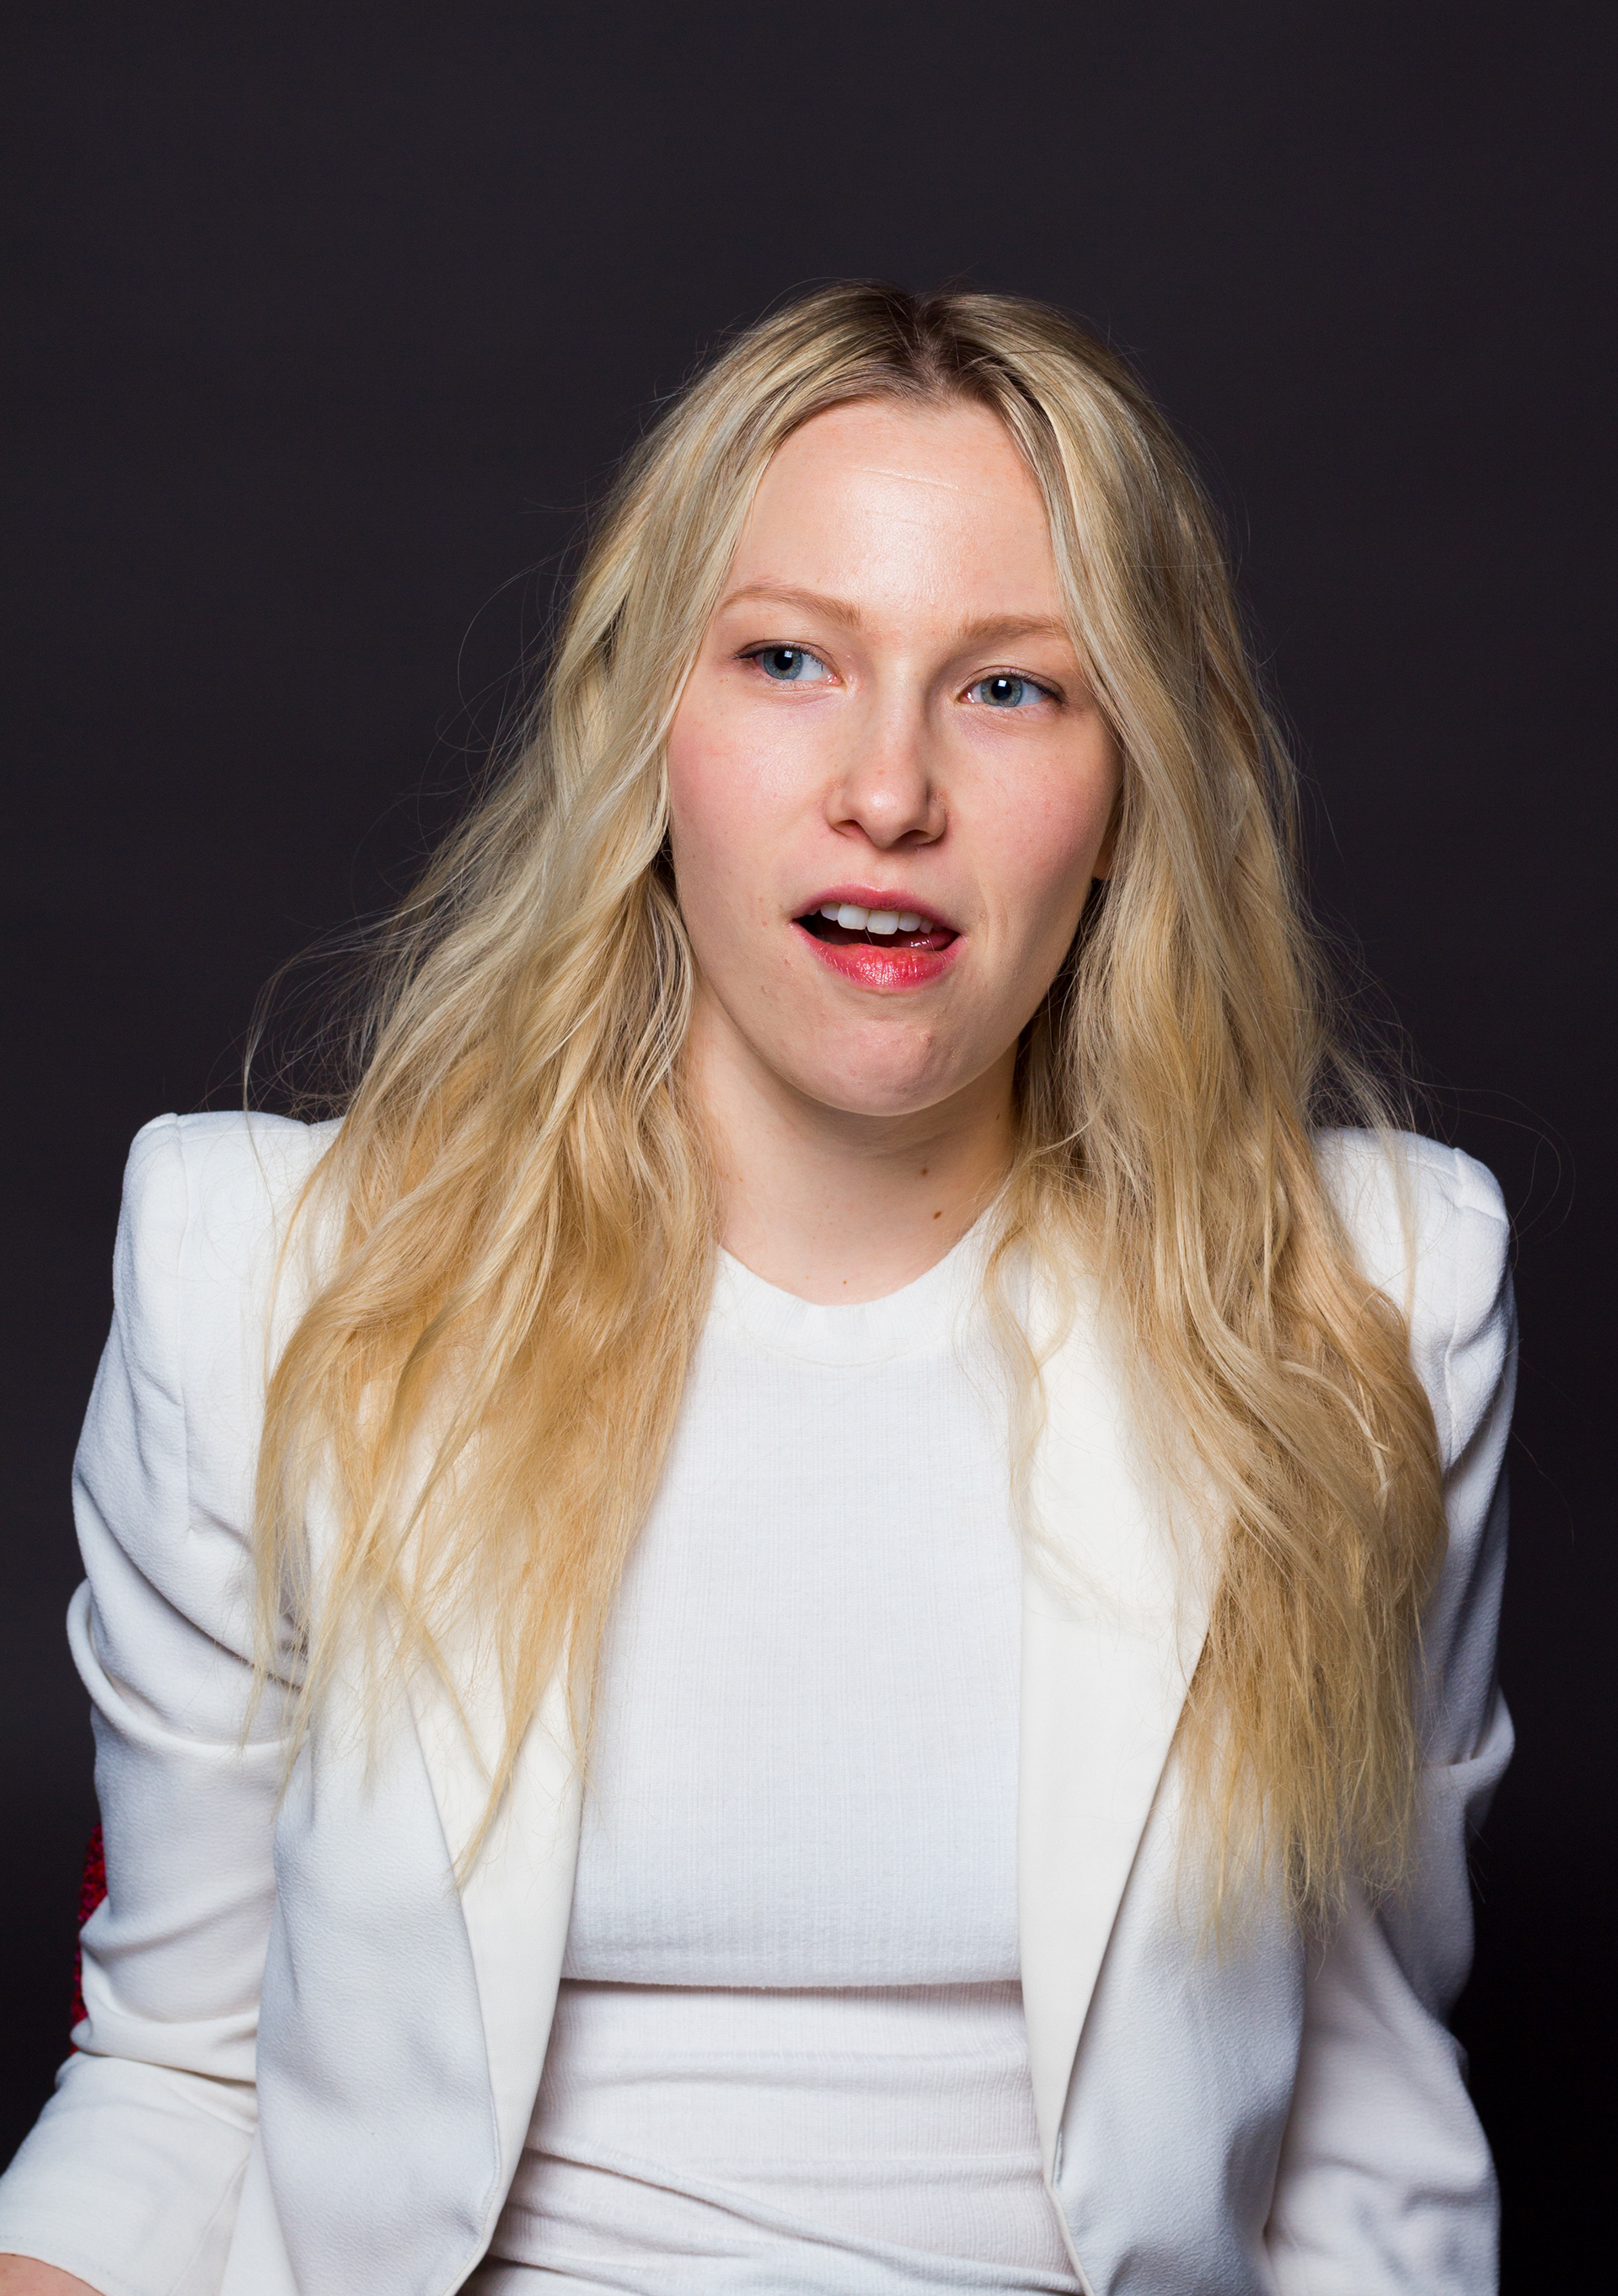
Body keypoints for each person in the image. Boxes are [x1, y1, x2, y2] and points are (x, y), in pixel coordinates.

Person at [0, 286, 1514, 2296]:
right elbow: (177, 2075)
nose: (889, 789)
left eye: (1012, 688)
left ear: (1135, 784)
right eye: (790, 659)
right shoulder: (261, 1285)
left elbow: (1371, 2129)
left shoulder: (1366, 1304)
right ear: (649, 727)